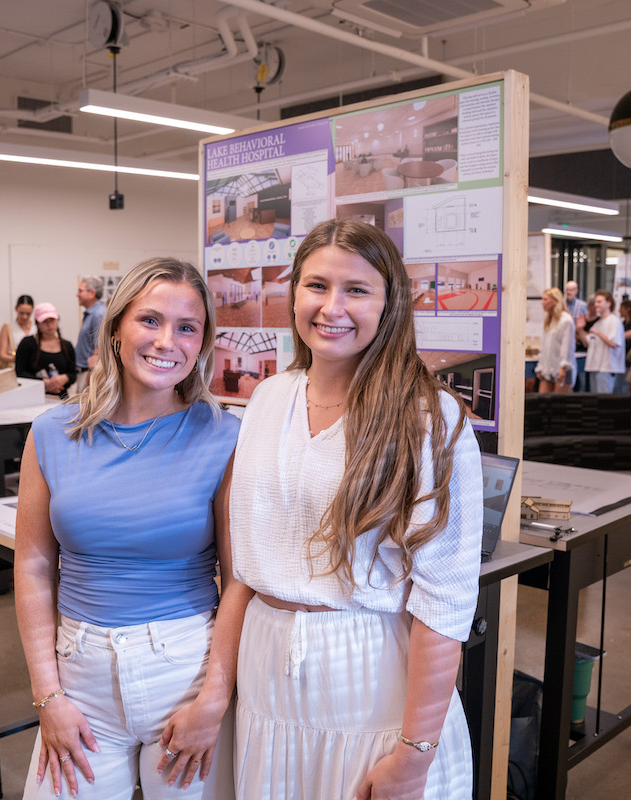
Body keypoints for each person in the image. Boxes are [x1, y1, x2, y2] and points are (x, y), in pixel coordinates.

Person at [229, 219, 483, 800]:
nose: (332, 307)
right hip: (266, 664)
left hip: (370, 675)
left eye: (357, 290)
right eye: (316, 285)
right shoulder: (269, 397)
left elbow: (443, 602)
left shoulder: (426, 417)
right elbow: (246, 560)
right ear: (293, 291)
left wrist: (415, 756)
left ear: (389, 303)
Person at [15, 258, 246, 800]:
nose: (167, 341)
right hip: (78, 670)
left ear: (202, 343)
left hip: (186, 667)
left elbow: (239, 580)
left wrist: (214, 697)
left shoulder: (223, 435)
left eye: (187, 327)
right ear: (115, 328)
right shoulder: (53, 432)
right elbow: (32, 566)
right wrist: (48, 697)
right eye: (150, 321)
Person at [15, 302, 76, 398]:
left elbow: (73, 373)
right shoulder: (27, 343)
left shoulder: (67, 345)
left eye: (52, 320)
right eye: (45, 321)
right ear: (37, 324)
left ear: (57, 320)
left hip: (61, 397)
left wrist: (65, 378)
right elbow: (19, 372)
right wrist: (43, 382)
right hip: (34, 397)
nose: (49, 325)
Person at [536, 287, 576, 394]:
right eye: (542, 299)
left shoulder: (566, 320)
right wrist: (540, 366)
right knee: (543, 403)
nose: (542, 302)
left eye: (545, 299)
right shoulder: (549, 319)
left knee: (559, 406)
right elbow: (543, 346)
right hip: (548, 368)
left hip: (562, 369)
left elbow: (567, 346)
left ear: (555, 301)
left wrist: (563, 367)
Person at [584, 290, 625, 394]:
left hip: (606, 368)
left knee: (604, 402)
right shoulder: (597, 323)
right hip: (594, 367)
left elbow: (613, 343)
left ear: (608, 303)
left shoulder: (614, 321)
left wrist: (597, 332)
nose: (596, 304)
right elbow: (587, 342)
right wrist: (579, 329)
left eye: (599, 302)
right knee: (595, 401)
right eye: (595, 302)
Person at [74, 276, 106, 391]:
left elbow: (99, 348)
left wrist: (91, 372)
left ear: (92, 293)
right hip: (83, 370)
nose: (77, 294)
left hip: (89, 372)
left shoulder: (98, 314)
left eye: (80, 291)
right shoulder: (91, 313)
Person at [0, 294, 36, 368]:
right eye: (21, 313)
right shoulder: (7, 328)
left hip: (33, 367)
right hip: (14, 366)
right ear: (16, 309)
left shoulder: (36, 328)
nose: (24, 317)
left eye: (28, 314)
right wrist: (19, 359)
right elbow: (2, 355)